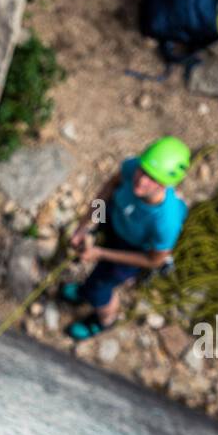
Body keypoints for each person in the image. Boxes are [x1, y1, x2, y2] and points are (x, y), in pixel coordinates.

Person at [62, 136, 190, 341]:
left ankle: (104, 320)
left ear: (166, 184)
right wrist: (86, 226)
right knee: (94, 278)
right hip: (116, 220)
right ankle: (84, 291)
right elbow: (109, 187)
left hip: (133, 249)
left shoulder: (166, 221)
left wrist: (101, 253)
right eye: (143, 170)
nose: (141, 180)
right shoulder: (132, 168)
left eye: (153, 178)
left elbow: (154, 260)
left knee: (101, 287)